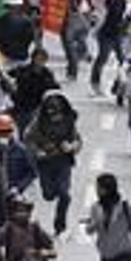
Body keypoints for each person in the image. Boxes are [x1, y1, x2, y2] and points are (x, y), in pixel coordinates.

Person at [23, 89, 82, 235]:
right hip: (45, 162)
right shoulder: (38, 122)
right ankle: (53, 191)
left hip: (63, 161)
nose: (55, 113)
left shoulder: (69, 120)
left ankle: (60, 224)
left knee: (65, 195)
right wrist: (37, 151)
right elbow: (28, 138)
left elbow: (77, 140)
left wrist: (71, 146)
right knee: (48, 195)